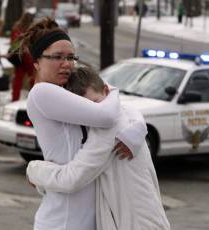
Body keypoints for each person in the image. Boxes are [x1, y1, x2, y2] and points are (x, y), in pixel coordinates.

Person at [19, 17, 148, 230]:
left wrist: (137, 127)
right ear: (36, 62)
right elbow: (107, 116)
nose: (66, 64)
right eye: (57, 57)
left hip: (93, 218)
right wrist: (113, 90)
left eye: (71, 57)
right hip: (63, 220)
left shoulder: (68, 90)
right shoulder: (42, 93)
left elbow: (122, 111)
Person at [27, 66, 171, 230]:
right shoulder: (127, 114)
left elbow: (73, 179)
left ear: (105, 91)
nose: (92, 117)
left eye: (95, 104)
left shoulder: (105, 130)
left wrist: (34, 171)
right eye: (86, 110)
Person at [10, 12, 35, 101]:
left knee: (18, 79)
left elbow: (13, 44)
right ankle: (34, 97)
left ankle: (15, 99)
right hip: (26, 56)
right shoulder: (29, 29)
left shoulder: (16, 28)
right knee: (32, 77)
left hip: (18, 56)